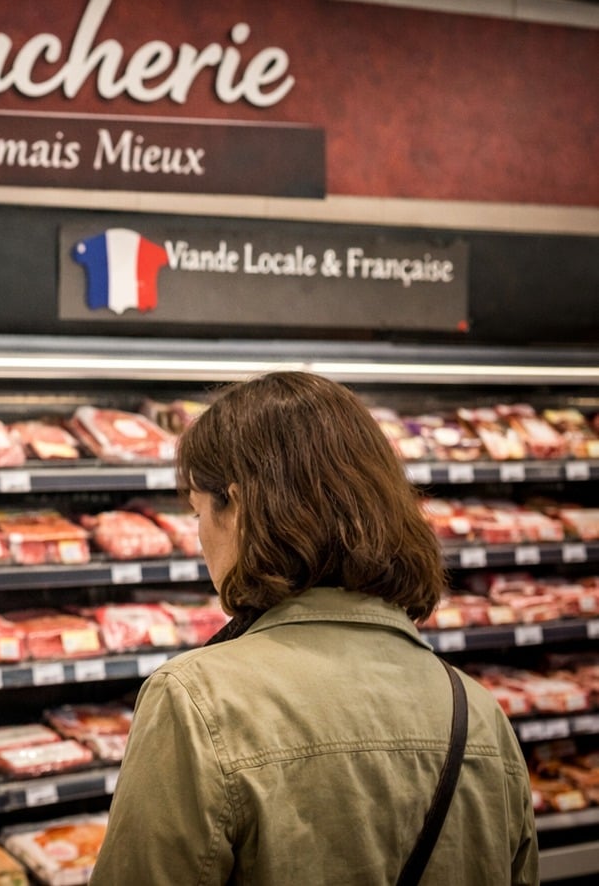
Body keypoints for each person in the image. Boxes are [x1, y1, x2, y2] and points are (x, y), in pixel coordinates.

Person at [91, 371, 537, 885]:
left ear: (236, 507)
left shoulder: (196, 702)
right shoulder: (478, 712)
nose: (199, 538)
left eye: (198, 512)